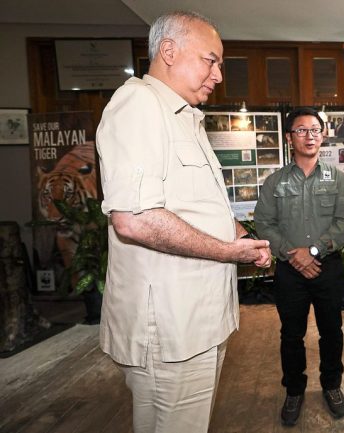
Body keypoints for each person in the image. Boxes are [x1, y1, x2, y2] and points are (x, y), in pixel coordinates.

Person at [96, 11, 272, 433]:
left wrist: (241, 235)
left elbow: (193, 207)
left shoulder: (183, 117)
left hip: (197, 322)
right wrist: (230, 252)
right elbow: (136, 220)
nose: (218, 75)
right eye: (210, 60)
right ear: (169, 51)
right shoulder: (139, 104)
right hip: (172, 328)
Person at [254, 107, 344, 426]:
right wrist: (292, 254)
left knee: (331, 331)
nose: (309, 135)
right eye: (301, 130)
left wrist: (313, 250)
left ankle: (332, 386)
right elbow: (264, 223)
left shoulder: (337, 179)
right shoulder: (275, 182)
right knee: (291, 335)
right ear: (289, 138)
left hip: (328, 267)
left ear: (323, 136)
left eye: (315, 130)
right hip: (289, 271)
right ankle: (294, 390)